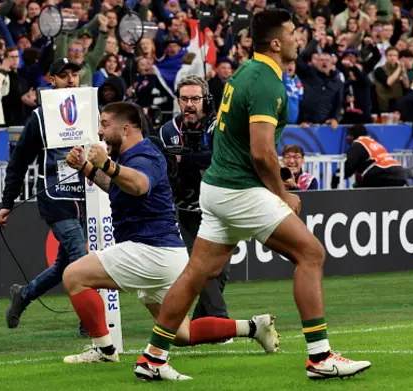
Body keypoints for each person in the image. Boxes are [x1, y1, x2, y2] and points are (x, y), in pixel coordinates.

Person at [134, 10, 371, 381]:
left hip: (217, 187)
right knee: (310, 253)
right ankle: (320, 357)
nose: (299, 38)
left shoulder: (247, 70)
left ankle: (152, 357)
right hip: (238, 189)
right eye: (293, 32)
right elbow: (262, 152)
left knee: (198, 272)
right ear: (276, 43)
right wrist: (282, 195)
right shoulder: (265, 82)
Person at [60, 101, 280, 372]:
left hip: (150, 251)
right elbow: (120, 187)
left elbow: (139, 185)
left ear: (126, 128)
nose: (100, 132)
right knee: (181, 334)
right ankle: (254, 327)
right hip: (164, 255)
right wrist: (88, 169)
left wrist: (106, 163)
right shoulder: (132, 156)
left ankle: (104, 350)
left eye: (105, 124)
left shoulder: (144, 156)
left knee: (74, 276)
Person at [0, 58, 88, 337]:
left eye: (75, 74)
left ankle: (23, 296)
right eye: (64, 76)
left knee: (63, 265)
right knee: (81, 257)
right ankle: (91, 320)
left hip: (84, 198)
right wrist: (6, 203)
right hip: (55, 198)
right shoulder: (40, 117)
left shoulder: (88, 109)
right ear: (51, 80)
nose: (71, 79)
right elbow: (18, 162)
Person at [159, 75, 231, 326]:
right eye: (184, 99)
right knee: (201, 266)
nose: (189, 104)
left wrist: (183, 160)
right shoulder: (167, 130)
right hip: (184, 209)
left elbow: (219, 157)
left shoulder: (218, 125)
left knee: (220, 271)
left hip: (218, 207)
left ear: (206, 100)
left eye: (195, 99)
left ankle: (202, 323)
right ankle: (221, 323)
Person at [331, 125, 407, 189]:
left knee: (358, 190)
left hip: (383, 173)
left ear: (353, 135)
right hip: (399, 173)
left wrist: (336, 178)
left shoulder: (357, 143)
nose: (346, 138)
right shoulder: (373, 142)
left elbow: (349, 167)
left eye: (348, 135)